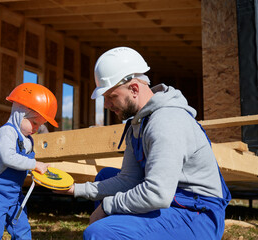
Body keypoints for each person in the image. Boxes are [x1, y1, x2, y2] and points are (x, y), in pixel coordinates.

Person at [57, 47, 231, 239]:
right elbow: (128, 180)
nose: (106, 105)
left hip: (197, 214)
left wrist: (107, 208)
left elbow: (157, 193)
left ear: (134, 89)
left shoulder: (167, 122)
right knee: (105, 175)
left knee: (99, 233)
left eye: (111, 97)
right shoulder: (139, 122)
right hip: (172, 201)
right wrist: (75, 189)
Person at [0, 83, 59, 240]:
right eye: (34, 123)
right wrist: (34, 164)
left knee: (21, 229)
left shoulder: (28, 140)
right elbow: (9, 158)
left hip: (15, 193)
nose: (36, 128)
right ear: (20, 113)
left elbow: (25, 163)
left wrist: (37, 171)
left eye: (40, 125)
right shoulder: (6, 132)